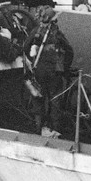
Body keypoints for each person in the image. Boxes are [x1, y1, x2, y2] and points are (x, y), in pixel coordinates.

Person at [24, 7, 74, 136]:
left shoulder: (36, 32)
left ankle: (38, 129)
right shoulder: (57, 34)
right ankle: (55, 130)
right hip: (54, 72)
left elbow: (25, 47)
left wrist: (31, 62)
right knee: (55, 100)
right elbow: (69, 51)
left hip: (38, 72)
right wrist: (65, 68)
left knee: (37, 99)